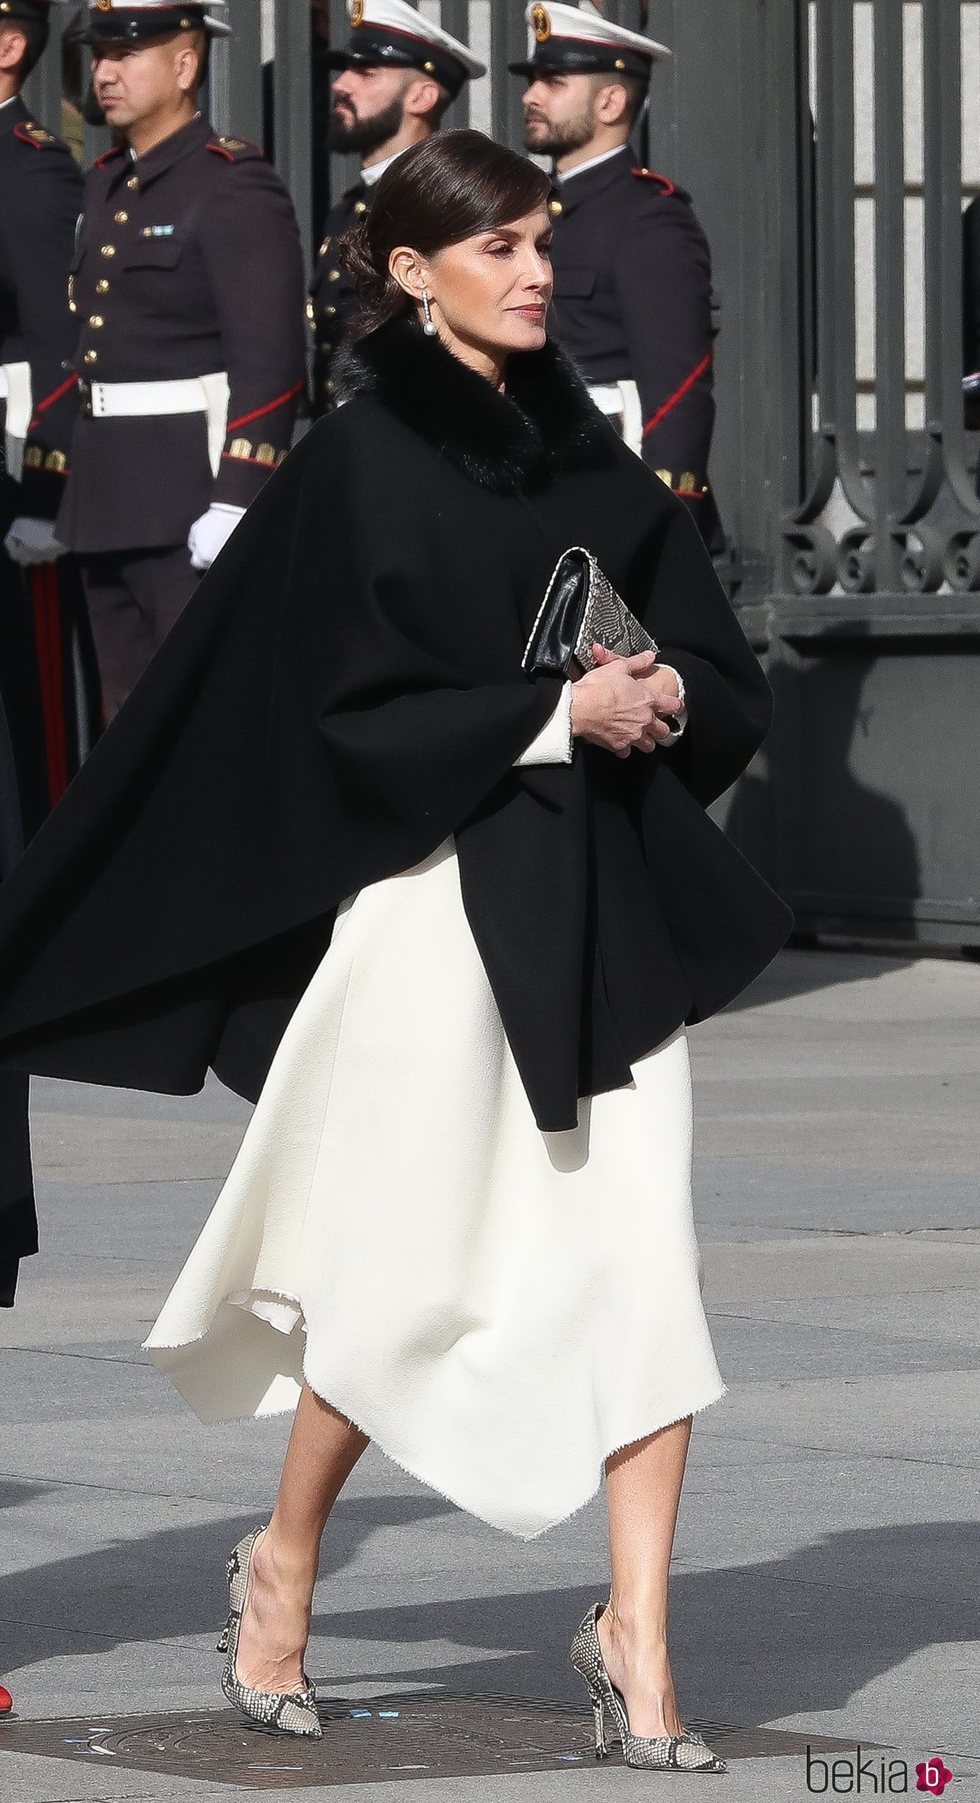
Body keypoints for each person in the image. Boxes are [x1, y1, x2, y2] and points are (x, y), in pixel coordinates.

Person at [0, 130, 791, 1769]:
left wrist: (663, 690)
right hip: (438, 903)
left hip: (609, 905)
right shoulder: (361, 463)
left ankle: (638, 1636)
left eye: (542, 241)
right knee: (397, 1278)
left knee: (648, 1272)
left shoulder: (592, 456)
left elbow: (707, 657)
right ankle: (284, 1554)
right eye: (495, 246)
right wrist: (546, 712)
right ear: (413, 272)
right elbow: (332, 718)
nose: (533, 270)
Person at [56, 0, 306, 722]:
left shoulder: (231, 182)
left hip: (188, 499)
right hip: (104, 494)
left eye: (127, 54)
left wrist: (236, 497)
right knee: (126, 721)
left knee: (207, 717)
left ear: (186, 64)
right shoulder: (106, 180)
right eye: (100, 56)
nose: (105, 73)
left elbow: (270, 360)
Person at [511, 1, 723, 549]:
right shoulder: (532, 209)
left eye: (554, 82)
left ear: (611, 101)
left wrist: (664, 521)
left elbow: (678, 390)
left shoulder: (649, 217)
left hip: (609, 489)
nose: (531, 95)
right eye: (533, 79)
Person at [0, 0, 97, 833]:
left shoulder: (29, 169)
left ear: (8, 45)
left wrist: (41, 494)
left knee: (28, 707)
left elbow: (62, 349)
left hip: (7, 468)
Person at [308, 0, 483, 413]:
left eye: (365, 72)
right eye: (345, 68)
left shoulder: (448, 202)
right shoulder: (351, 207)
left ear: (421, 96)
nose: (341, 84)